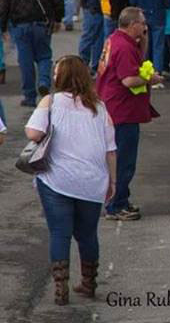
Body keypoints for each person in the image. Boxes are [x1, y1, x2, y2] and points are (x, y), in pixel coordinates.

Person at [25, 55, 116, 305]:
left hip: (57, 179)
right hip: (92, 180)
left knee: (59, 233)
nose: (53, 76)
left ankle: (60, 287)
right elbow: (111, 149)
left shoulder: (51, 102)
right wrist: (113, 182)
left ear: (61, 77)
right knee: (88, 234)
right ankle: (89, 282)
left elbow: (33, 132)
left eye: (56, 72)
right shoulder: (99, 106)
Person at [97, 6, 162, 221]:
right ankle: (116, 205)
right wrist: (150, 79)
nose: (145, 27)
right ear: (132, 24)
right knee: (124, 161)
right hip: (122, 111)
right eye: (142, 24)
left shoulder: (114, 40)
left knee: (118, 159)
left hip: (113, 107)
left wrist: (143, 41)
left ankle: (119, 199)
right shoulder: (124, 47)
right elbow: (129, 80)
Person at [0, 0, 64, 107]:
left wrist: (3, 28)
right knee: (44, 56)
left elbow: (4, 6)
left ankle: (29, 96)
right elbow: (58, 0)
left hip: (20, 26)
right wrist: (58, 19)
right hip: (42, 24)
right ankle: (43, 81)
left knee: (25, 60)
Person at [130, 0, 170, 72]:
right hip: (158, 17)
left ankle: (146, 71)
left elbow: (133, 1)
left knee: (145, 47)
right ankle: (157, 72)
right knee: (158, 47)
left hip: (144, 17)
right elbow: (168, 3)